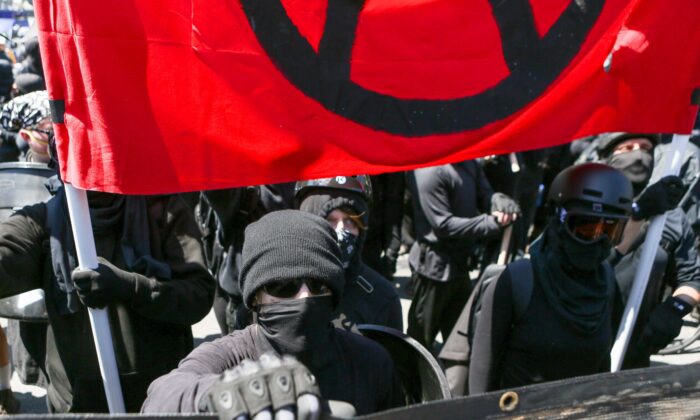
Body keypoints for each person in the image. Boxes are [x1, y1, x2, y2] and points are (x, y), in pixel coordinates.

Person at [142, 210, 404, 416]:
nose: (304, 297)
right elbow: (161, 396)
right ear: (256, 297)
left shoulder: (371, 361)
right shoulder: (228, 356)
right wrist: (220, 393)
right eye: (284, 286)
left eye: (317, 285)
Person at [0, 180, 215, 412]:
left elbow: (198, 294)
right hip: (76, 404)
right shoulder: (45, 219)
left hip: (159, 399)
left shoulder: (162, 207)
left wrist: (132, 287)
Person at [468, 163, 632, 394]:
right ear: (558, 218)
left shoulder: (606, 282)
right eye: (585, 228)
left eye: (609, 231)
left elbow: (601, 365)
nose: (597, 241)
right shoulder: (518, 280)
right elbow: (482, 370)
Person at [595, 133, 700, 368]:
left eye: (645, 148)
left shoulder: (671, 217)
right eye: (627, 148)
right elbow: (590, 262)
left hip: (635, 345)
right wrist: (637, 213)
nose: (638, 154)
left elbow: (691, 279)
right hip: (583, 338)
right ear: (608, 157)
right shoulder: (589, 204)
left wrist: (676, 308)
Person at [406, 160, 519, 349]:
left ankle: (453, 377)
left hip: (459, 267)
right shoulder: (429, 171)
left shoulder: (468, 162)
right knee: (419, 342)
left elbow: (485, 194)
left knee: (460, 339)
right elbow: (443, 225)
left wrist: (499, 201)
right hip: (433, 270)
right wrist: (490, 223)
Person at [296, 176, 403, 332]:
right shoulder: (277, 290)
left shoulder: (381, 297)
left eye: (350, 221)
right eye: (329, 220)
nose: (340, 231)